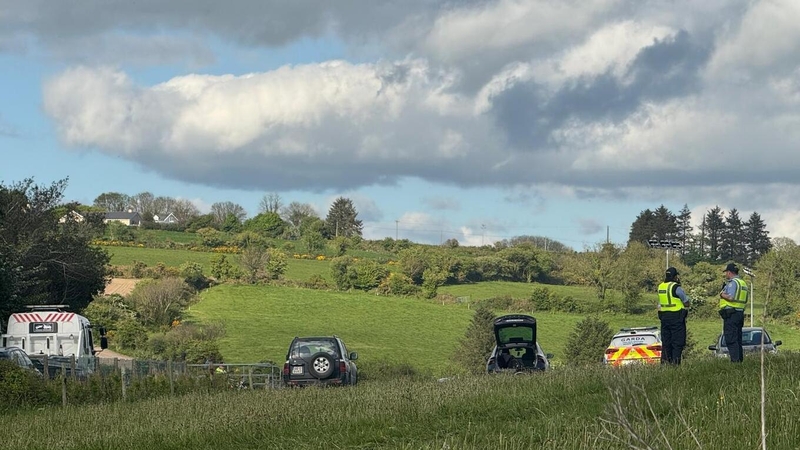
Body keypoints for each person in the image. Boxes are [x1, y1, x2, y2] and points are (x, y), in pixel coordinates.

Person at [657, 267, 690, 365]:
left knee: (666, 343)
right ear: (675, 276)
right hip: (677, 318)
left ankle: (665, 364)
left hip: (664, 318)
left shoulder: (661, 287)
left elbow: (659, 304)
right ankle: (675, 365)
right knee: (677, 343)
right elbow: (686, 302)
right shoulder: (676, 287)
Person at [719, 262, 748, 362]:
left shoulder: (733, 283)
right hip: (739, 313)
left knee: (731, 339)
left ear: (730, 272)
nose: (726, 274)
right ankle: (739, 361)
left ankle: (735, 362)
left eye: (726, 272)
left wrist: (722, 294)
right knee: (737, 339)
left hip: (731, 314)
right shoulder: (743, 283)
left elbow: (730, 297)